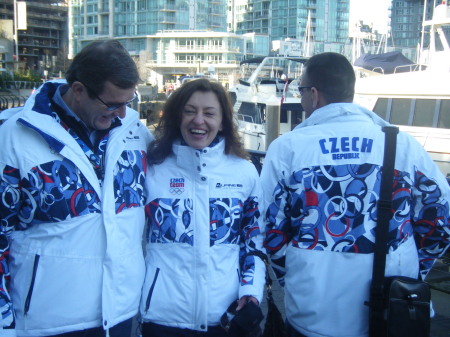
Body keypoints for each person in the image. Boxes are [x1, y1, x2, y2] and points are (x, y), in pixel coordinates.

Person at [261, 52, 450, 337]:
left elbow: (269, 229)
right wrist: (411, 270)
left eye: (300, 91)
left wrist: (297, 276)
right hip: (392, 312)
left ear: (313, 94)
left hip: (313, 314)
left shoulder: (287, 149)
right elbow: (441, 218)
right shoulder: (402, 145)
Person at [0, 39, 153, 336]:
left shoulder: (135, 132)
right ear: (79, 90)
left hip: (121, 314)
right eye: (112, 104)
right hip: (46, 322)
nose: (122, 114)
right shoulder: (12, 138)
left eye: (128, 102)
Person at [140, 78, 266, 336]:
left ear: (222, 122)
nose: (199, 120)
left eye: (209, 113)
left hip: (225, 318)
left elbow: (253, 240)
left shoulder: (244, 172)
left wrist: (251, 293)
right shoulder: (152, 168)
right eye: (190, 111)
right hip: (162, 319)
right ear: (177, 116)